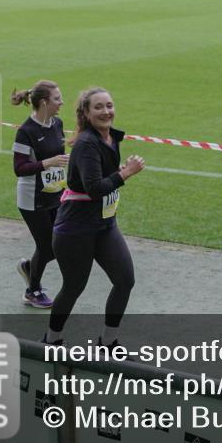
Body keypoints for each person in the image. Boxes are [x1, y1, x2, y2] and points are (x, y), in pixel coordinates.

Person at [44, 88, 145, 348]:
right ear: (87, 114)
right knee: (74, 286)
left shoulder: (111, 138)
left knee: (125, 280)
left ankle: (108, 342)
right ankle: (52, 339)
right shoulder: (87, 143)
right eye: (98, 107)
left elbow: (100, 177)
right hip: (76, 229)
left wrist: (118, 171)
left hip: (104, 225)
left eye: (109, 105)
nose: (106, 111)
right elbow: (94, 188)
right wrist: (126, 174)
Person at [11, 81, 69, 309]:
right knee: (47, 247)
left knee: (60, 244)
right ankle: (32, 291)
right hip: (32, 199)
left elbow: (59, 157)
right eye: (57, 99)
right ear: (44, 103)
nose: (61, 102)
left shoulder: (58, 123)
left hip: (56, 194)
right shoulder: (26, 132)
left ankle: (29, 269)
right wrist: (48, 163)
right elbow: (19, 168)